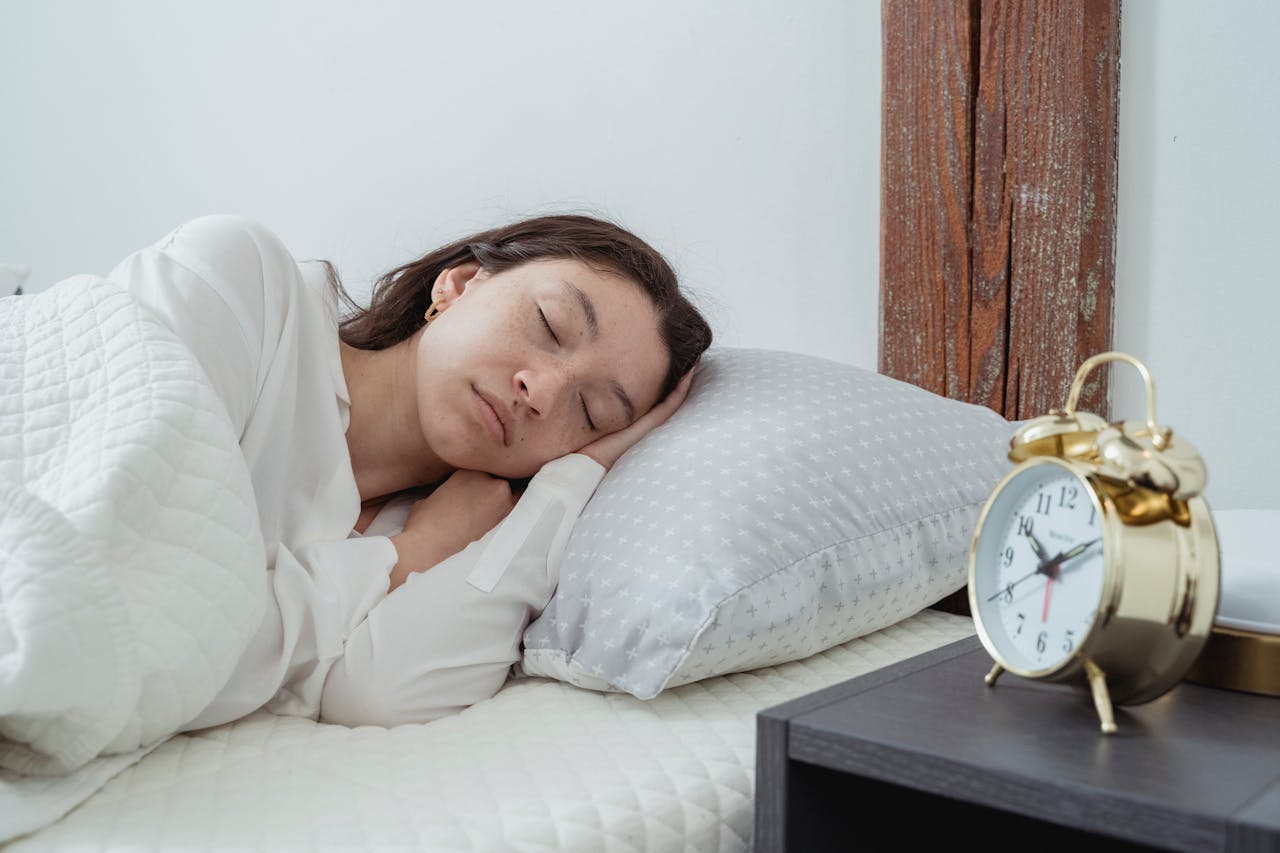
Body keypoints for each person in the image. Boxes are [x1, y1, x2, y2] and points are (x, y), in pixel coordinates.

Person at [107, 212, 712, 729]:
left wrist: (563, 488)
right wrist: (408, 555)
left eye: (591, 411)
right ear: (460, 284)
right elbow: (133, 609)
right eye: (551, 327)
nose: (542, 390)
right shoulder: (244, 285)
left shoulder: (439, 529)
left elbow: (378, 694)